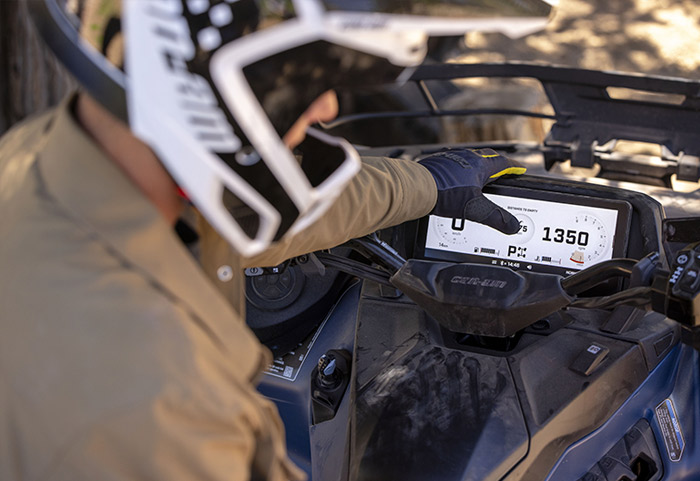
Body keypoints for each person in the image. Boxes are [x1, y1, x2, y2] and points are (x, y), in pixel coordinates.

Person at [0, 0, 551, 479]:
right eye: (310, 77)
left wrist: (429, 184)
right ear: (205, 79)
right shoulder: (156, 405)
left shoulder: (49, 156)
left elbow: (277, 211)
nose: (327, 107)